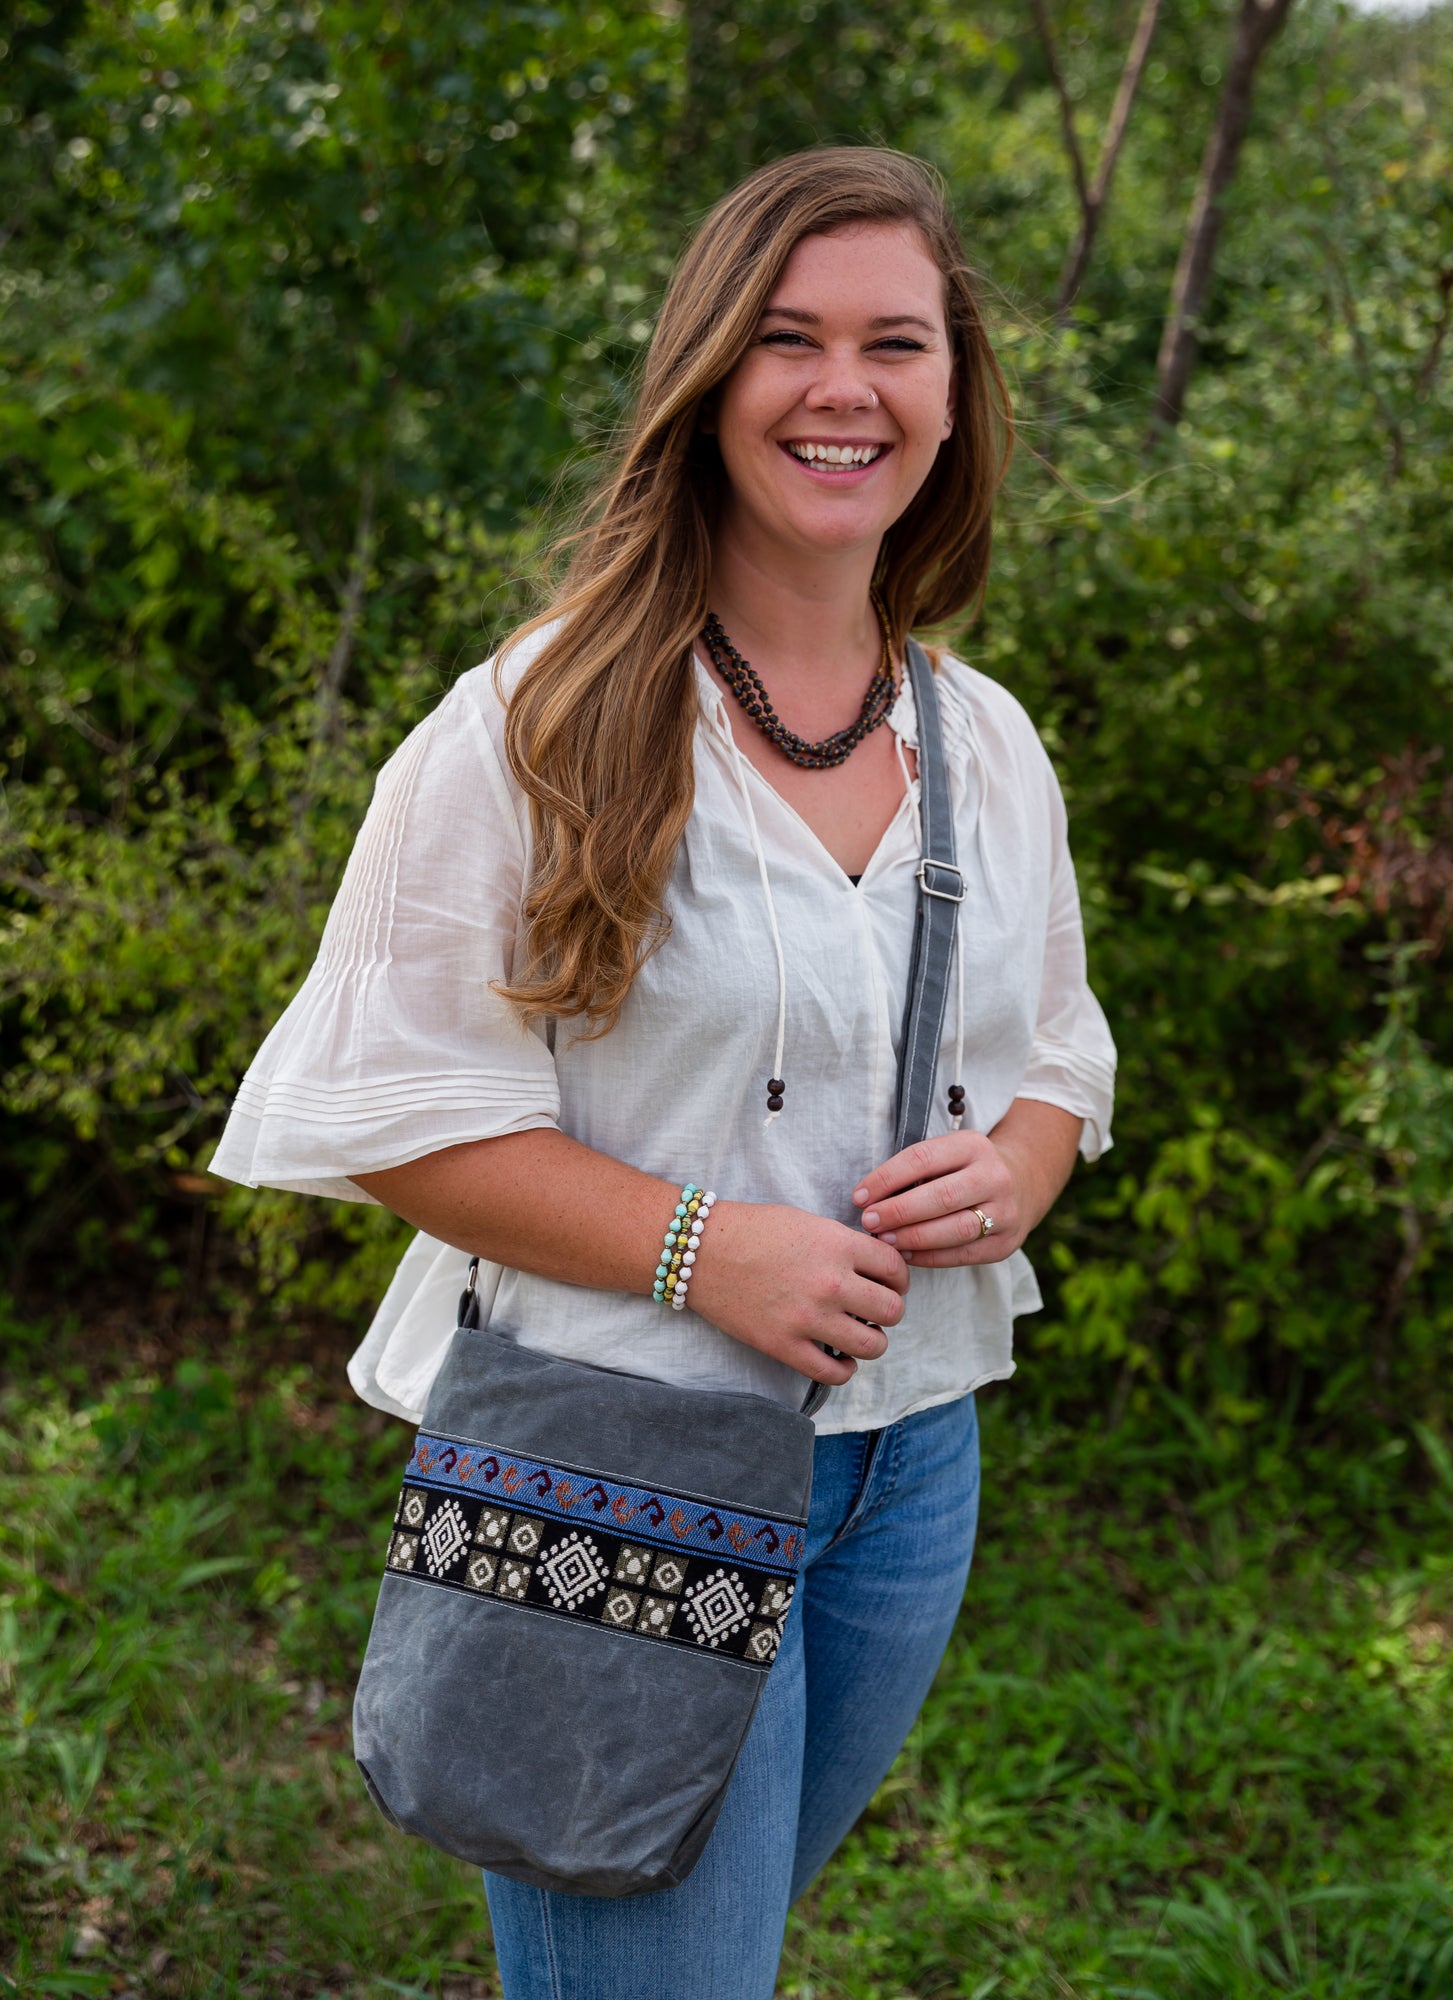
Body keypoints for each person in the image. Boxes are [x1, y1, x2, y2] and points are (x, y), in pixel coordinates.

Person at [212, 145, 1115, 2000]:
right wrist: (715, 1250)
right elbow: (388, 1108)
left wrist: (1019, 1169)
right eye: (788, 339)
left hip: (906, 1471)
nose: (843, 388)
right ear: (707, 382)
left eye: (896, 342)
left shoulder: (987, 740)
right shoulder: (544, 721)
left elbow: (1055, 1060)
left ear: (954, 394)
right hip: (611, 1470)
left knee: (711, 1957)